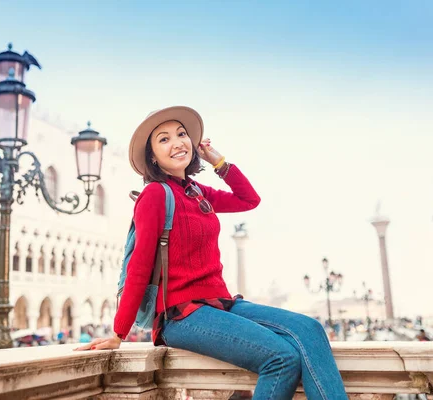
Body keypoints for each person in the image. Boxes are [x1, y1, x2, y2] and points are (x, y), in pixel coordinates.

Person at [76, 106, 348, 399]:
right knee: (281, 358)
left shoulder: (197, 191)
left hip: (221, 303)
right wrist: (118, 334)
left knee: (310, 329)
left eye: (182, 134)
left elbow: (249, 200)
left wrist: (218, 161)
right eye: (164, 139)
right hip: (181, 316)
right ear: (152, 156)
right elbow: (139, 267)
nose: (178, 142)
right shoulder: (155, 195)